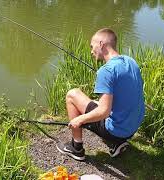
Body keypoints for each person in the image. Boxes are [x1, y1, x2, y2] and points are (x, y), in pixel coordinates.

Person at [56, 28, 145, 161]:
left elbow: (104, 111)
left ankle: (76, 148)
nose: (91, 51)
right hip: (132, 128)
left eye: (92, 47)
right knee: (96, 102)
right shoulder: (130, 61)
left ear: (101, 44)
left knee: (72, 94)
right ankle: (119, 143)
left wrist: (79, 120)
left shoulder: (106, 71)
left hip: (116, 131)